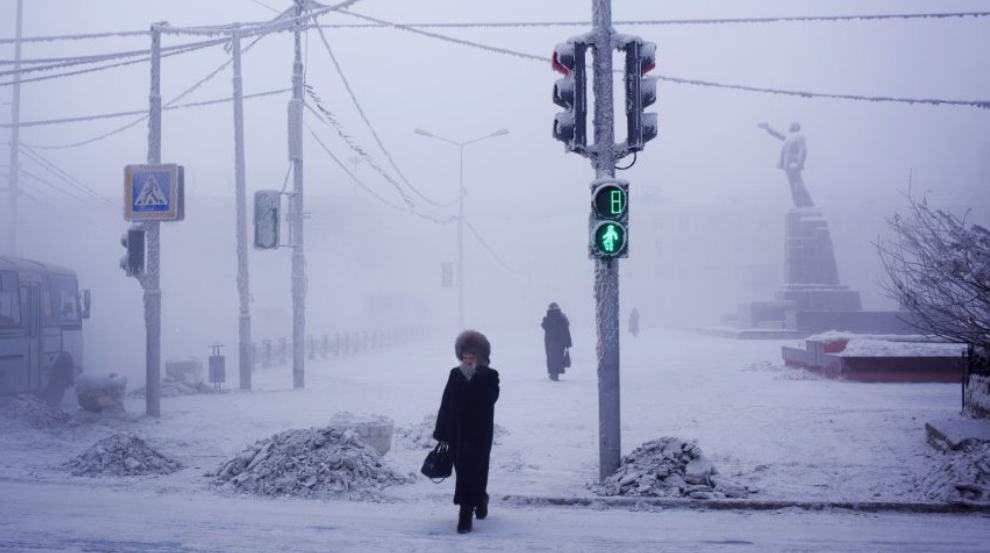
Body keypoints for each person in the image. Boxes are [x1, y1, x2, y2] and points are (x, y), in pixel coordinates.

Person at [433, 330, 500, 535]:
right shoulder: (455, 374)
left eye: (472, 358)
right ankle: (472, 506)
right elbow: (447, 402)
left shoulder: (490, 376)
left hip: (479, 434)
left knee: (477, 470)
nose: (468, 361)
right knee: (463, 472)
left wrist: (473, 377)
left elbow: (490, 399)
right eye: (464, 358)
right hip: (458, 434)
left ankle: (472, 507)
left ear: (481, 358)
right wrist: (442, 432)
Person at [758, 121, 815, 208]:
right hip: (787, 165)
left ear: (796, 127)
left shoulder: (800, 136)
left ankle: (808, 203)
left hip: (794, 164)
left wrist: (799, 163)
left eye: (791, 124)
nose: (789, 126)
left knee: (798, 184)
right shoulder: (789, 136)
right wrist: (768, 128)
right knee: (793, 185)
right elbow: (779, 134)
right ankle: (798, 203)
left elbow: (803, 150)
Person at [541, 302, 572, 381]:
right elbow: (567, 332)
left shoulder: (547, 318)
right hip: (560, 343)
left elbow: (543, 325)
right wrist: (568, 344)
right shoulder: (562, 318)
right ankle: (556, 374)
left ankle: (552, 373)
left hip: (550, 342)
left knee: (550, 358)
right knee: (559, 357)